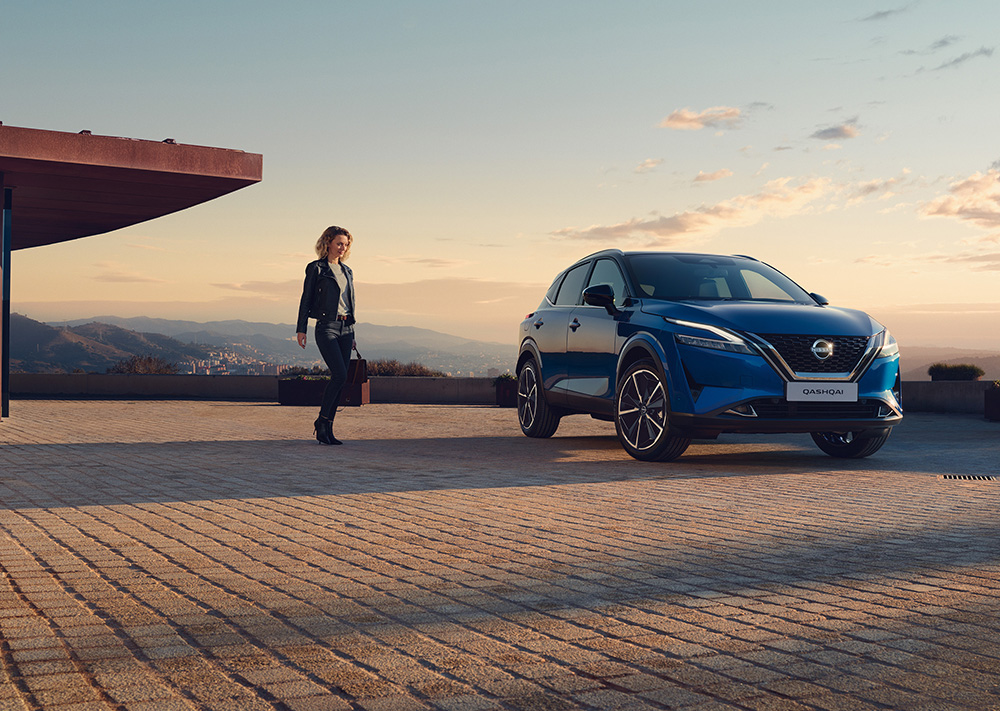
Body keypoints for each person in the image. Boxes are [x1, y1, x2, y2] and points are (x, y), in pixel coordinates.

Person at [296, 226, 356, 445]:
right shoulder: (316, 269)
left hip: (346, 328)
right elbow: (306, 299)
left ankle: (327, 427)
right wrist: (301, 328)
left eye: (346, 244)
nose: (343, 248)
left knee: (341, 379)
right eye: (339, 243)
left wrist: (352, 330)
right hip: (327, 327)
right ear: (328, 242)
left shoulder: (347, 271)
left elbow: (349, 303)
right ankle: (322, 422)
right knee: (339, 375)